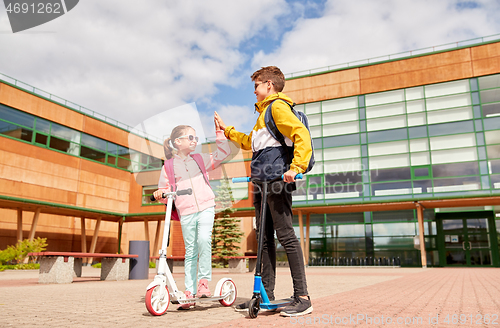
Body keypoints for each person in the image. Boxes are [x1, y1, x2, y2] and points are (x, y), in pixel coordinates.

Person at [214, 66, 313, 317]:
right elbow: (250, 142)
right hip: (261, 181)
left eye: (256, 86)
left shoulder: (277, 107)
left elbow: (300, 134)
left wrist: (296, 167)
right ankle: (263, 295)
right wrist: (227, 131)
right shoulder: (263, 115)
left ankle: (302, 296)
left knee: (286, 235)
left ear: (269, 84)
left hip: (276, 179)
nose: (254, 91)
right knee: (264, 239)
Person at [153, 117, 230, 310]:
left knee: (203, 240)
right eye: (190, 137)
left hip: (206, 206)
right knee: (190, 251)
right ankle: (189, 291)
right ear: (178, 142)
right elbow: (164, 191)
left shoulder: (200, 159)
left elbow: (223, 154)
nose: (195, 141)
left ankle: (203, 283)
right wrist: (160, 193)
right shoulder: (168, 167)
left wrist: (219, 132)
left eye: (196, 138)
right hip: (186, 211)